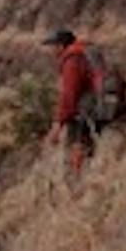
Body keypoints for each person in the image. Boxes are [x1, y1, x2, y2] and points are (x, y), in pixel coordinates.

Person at [43, 28, 96, 174]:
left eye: (52, 46)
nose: (50, 51)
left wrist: (58, 124)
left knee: (77, 154)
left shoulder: (72, 61)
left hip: (81, 114)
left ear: (61, 46)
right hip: (88, 110)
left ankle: (78, 186)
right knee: (85, 152)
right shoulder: (81, 56)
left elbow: (69, 94)